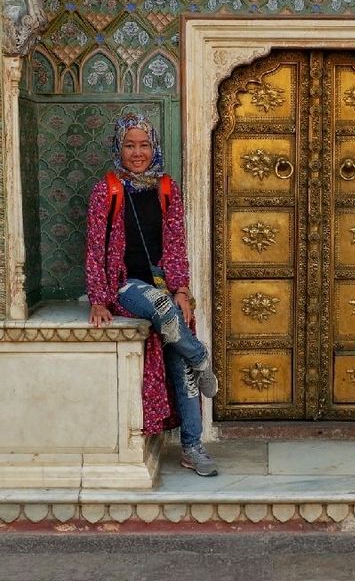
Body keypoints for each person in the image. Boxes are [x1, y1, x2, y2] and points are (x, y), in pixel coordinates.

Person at [85, 113, 218, 477]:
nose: (137, 152)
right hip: (127, 286)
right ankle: (201, 353)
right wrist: (98, 297)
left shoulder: (166, 188)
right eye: (129, 145)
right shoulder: (106, 190)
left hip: (163, 286)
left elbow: (175, 244)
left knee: (183, 367)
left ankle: (192, 447)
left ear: (153, 146)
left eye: (144, 145)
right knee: (171, 321)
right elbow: (96, 248)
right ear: (118, 147)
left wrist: (182, 290)